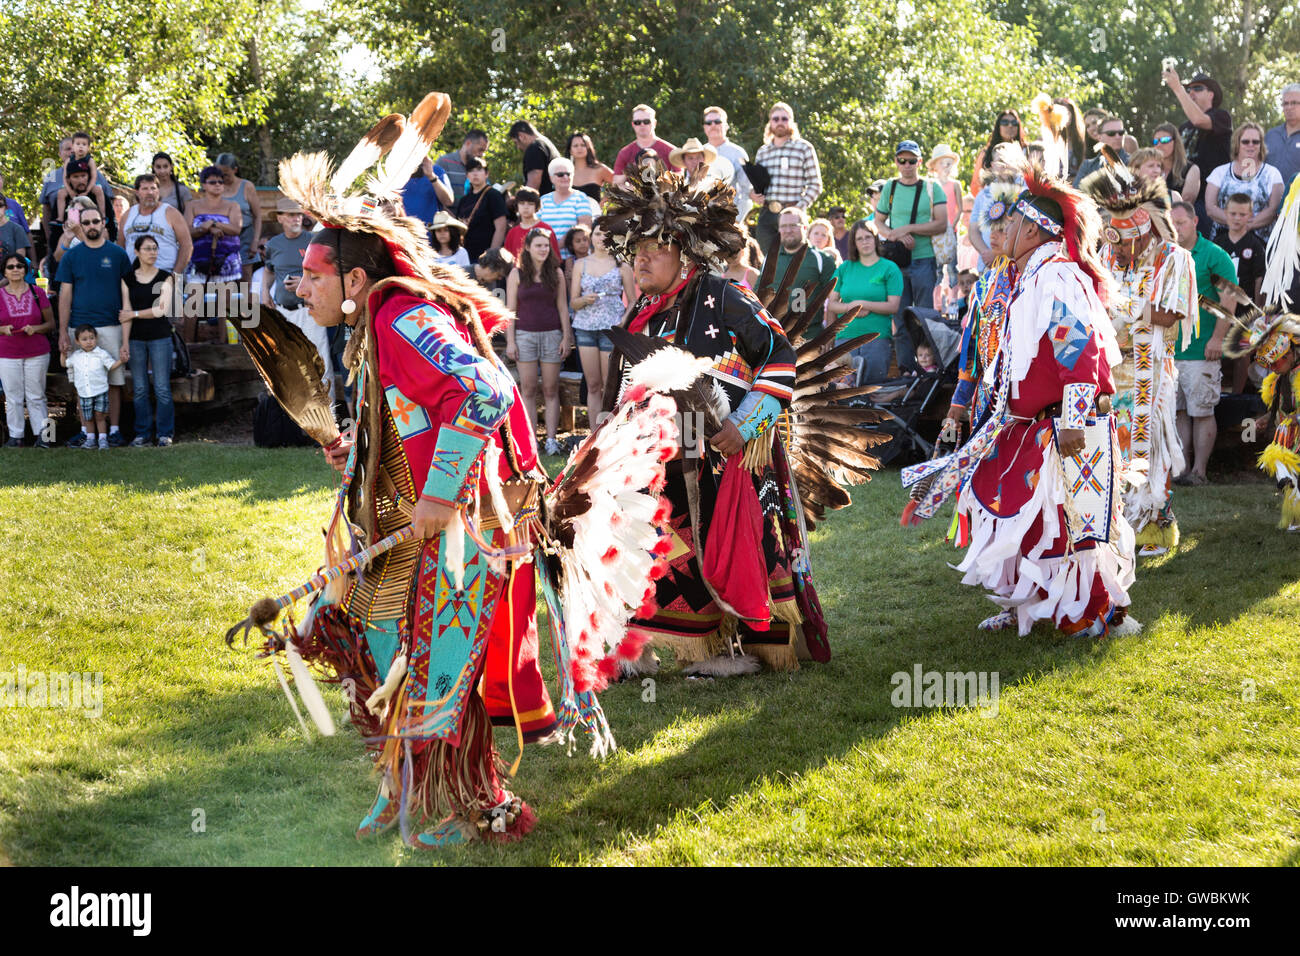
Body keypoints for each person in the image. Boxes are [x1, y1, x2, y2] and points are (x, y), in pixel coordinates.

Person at [278, 118, 562, 848]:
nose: (299, 285)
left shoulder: (403, 317)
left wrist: (438, 493)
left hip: (462, 524)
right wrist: (359, 454)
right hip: (414, 521)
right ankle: (408, 788)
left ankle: (474, 800)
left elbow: (482, 394)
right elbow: (415, 416)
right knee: (384, 653)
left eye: (311, 276)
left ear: (354, 279)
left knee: (434, 668)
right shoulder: (377, 321)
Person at [596, 168, 819, 675]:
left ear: (685, 250)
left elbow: (780, 355)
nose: (641, 259)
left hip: (723, 453)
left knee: (726, 547)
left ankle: (740, 649)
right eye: (636, 250)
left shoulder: (722, 295)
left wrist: (746, 422)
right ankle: (653, 647)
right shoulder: (644, 313)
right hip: (657, 460)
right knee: (658, 550)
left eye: (654, 247)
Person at [902, 164, 1137, 638]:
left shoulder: (1056, 277)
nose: (1003, 232)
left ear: (1032, 229)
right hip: (1024, 424)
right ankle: (1025, 606)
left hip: (1064, 428)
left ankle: (1100, 613)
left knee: (1073, 525)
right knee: (1016, 515)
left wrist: (1072, 420)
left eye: (1010, 224)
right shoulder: (1028, 276)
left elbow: (1082, 351)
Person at [1083, 155, 1197, 557]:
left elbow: (1173, 314)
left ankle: (1153, 527)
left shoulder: (1174, 259)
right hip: (1114, 370)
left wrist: (1131, 309)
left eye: (1129, 236)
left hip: (1153, 371)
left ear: (1145, 227)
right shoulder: (1108, 258)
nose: (1123, 246)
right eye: (1116, 236)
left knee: (1149, 448)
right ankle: (1117, 525)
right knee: (1113, 444)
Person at [1166, 201, 1235, 486]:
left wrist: (1217, 338)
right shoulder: (1167, 254)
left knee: (1202, 411)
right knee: (1180, 411)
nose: (1176, 229)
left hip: (1201, 348)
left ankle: (1200, 471)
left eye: (1180, 223)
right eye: (1172, 224)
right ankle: (1182, 469)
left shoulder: (1214, 255)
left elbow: (1229, 300)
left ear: (1195, 222)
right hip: (1172, 349)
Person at [54, 204, 132, 446]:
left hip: (111, 325)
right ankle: (86, 431)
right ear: (81, 226)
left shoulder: (118, 254)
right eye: (85, 223)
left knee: (114, 381)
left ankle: (115, 431)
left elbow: (127, 293)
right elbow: (65, 296)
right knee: (83, 381)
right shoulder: (71, 257)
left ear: (104, 222)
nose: (91, 226)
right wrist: (63, 333)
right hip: (79, 327)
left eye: (95, 221)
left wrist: (127, 332)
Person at [877, 140, 947, 371]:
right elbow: (878, 222)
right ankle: (907, 371)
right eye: (902, 160)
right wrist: (895, 236)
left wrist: (909, 229)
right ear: (896, 162)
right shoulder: (890, 186)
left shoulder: (932, 187)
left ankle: (931, 369)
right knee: (900, 320)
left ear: (919, 162)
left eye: (912, 160)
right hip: (897, 262)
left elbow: (941, 223)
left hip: (924, 259)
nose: (907, 165)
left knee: (926, 319)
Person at [505, 227, 571, 455]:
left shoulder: (557, 273)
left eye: (546, 245)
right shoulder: (517, 273)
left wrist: (566, 336)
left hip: (552, 334)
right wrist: (510, 341)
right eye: (538, 245)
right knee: (529, 388)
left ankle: (551, 440)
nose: (543, 249)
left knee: (551, 388)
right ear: (528, 248)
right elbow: (510, 310)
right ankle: (530, 440)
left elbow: (563, 308)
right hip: (525, 335)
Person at [263, 198, 333, 402]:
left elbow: (327, 273)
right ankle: (291, 420)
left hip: (311, 309)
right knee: (286, 363)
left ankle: (328, 417)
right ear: (280, 218)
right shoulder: (273, 245)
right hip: (283, 311)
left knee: (319, 362)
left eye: (299, 214)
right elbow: (269, 270)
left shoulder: (314, 240)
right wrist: (265, 292)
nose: (296, 218)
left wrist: (304, 282)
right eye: (291, 215)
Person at [570, 222, 633, 428]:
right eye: (597, 233)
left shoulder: (622, 266)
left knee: (610, 384)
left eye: (606, 234)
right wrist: (584, 300)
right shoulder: (581, 264)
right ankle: (594, 434)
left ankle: (610, 430)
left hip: (611, 329)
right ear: (591, 237)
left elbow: (633, 300)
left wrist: (624, 321)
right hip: (585, 328)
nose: (601, 238)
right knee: (593, 384)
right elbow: (573, 302)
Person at [826, 220, 903, 384]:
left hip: (876, 338)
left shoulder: (889, 268)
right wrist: (849, 307)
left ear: (875, 239)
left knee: (870, 390)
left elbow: (893, 306)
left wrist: (863, 303)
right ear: (853, 243)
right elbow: (831, 304)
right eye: (859, 239)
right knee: (843, 392)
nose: (864, 242)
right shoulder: (844, 268)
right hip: (845, 338)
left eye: (868, 237)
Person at [121, 235, 177, 446]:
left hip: (160, 337)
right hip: (135, 339)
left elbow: (161, 309)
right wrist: (125, 342)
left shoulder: (165, 277)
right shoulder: (127, 279)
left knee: (162, 386)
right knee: (140, 388)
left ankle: (165, 433)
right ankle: (142, 433)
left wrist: (134, 314)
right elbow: (124, 313)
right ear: (137, 252)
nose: (152, 252)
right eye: (147, 249)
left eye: (155, 248)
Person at [1164, 69, 1233, 236]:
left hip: (1208, 201)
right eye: (1189, 89)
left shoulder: (1221, 116)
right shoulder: (1184, 127)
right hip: (1179, 199)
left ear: (1211, 94)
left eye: (1198, 88)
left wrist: (1178, 88)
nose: (1191, 92)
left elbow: (1199, 119)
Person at [1214, 193, 1269, 393]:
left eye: (1242, 214)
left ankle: (1237, 393)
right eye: (1233, 213)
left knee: (1242, 351)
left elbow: (1259, 279)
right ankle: (1217, 390)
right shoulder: (1218, 243)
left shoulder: (1255, 245)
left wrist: (1259, 311)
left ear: (1250, 216)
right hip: (1218, 307)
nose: (1237, 218)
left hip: (1245, 309)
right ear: (1225, 214)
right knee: (1216, 348)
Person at [750, 102, 823, 251]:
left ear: (791, 122)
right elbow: (757, 186)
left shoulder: (804, 148)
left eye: (784, 119)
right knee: (767, 264)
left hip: (793, 214)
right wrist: (753, 194)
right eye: (775, 119)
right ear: (770, 123)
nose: (780, 122)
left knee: (794, 263)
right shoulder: (763, 151)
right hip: (767, 215)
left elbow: (816, 184)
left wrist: (799, 208)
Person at [0, 254, 54, 447]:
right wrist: (1, 329)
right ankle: (16, 437)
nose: (15, 269)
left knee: (37, 395)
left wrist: (36, 329)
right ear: (4, 271)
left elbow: (51, 324)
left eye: (19, 266)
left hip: (37, 352)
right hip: (7, 353)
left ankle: (46, 437)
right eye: (10, 266)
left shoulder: (37, 292)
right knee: (13, 396)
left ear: (25, 270)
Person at [1204, 122, 1285, 240]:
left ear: (1261, 144)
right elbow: (1210, 208)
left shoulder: (1272, 174)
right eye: (1245, 141)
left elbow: (1274, 209)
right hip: (1223, 241)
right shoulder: (1219, 172)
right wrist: (1236, 224)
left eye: (1255, 142)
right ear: (1237, 143)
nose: (1250, 145)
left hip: (1261, 244)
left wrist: (1246, 226)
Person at [772, 206, 837, 337]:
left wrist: (829, 336)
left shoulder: (822, 259)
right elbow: (759, 299)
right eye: (784, 226)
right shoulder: (770, 259)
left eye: (793, 225)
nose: (788, 230)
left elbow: (833, 301)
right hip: (775, 339)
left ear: (805, 228)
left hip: (809, 338)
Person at [61, 324, 125, 449]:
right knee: (88, 417)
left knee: (100, 416)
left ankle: (102, 439)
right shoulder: (76, 356)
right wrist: (63, 353)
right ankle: (90, 439)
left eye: (91, 338)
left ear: (96, 338)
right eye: (84, 339)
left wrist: (121, 361)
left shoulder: (101, 354)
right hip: (84, 392)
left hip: (100, 391)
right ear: (77, 342)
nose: (89, 342)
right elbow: (64, 364)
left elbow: (111, 366)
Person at [120, 173, 192, 275]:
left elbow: (187, 245)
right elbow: (120, 246)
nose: (150, 192)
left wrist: (176, 274)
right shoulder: (128, 215)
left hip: (165, 274)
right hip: (135, 276)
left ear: (158, 191)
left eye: (153, 188)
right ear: (137, 192)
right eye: (145, 189)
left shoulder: (170, 212)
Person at [969, 143, 1026, 271]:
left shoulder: (1026, 193)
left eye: (1009, 160)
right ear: (993, 165)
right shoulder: (984, 195)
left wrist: (997, 254)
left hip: (1016, 264)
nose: (1005, 165)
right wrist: (987, 254)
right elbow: (973, 230)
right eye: (1000, 161)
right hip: (988, 265)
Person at [213, 154, 262, 281]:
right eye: (220, 173)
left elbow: (257, 216)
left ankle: (246, 301)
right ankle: (226, 301)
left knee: (245, 276)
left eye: (226, 174)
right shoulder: (216, 186)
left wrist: (255, 241)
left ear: (235, 170)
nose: (223, 177)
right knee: (225, 278)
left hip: (246, 235)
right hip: (223, 237)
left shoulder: (247, 186)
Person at [702, 106, 752, 222]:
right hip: (703, 219)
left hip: (730, 217)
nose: (713, 125)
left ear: (726, 126)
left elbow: (746, 191)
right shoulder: (698, 153)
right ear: (705, 128)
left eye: (718, 121)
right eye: (709, 123)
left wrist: (736, 220)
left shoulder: (738, 153)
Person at [927, 143, 963, 302]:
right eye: (943, 163)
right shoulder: (930, 186)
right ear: (935, 166)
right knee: (936, 269)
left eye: (949, 163)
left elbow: (959, 208)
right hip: (936, 232)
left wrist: (952, 225)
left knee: (952, 266)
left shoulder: (955, 185)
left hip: (951, 231)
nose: (946, 166)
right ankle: (936, 302)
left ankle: (953, 301)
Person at [454, 157, 507, 262]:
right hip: (465, 255)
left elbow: (501, 227)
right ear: (467, 175)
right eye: (471, 171)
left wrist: (491, 255)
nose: (475, 174)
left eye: (479, 169)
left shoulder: (493, 195)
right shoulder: (464, 200)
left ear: (486, 173)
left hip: (486, 256)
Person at [537, 157, 595, 253]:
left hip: (572, 258)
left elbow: (584, 229)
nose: (565, 177)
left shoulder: (581, 198)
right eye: (560, 174)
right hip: (545, 257)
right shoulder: (543, 200)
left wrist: (555, 247)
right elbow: (536, 228)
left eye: (568, 174)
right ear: (551, 178)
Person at [612, 104, 677, 186]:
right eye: (637, 122)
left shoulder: (671, 151)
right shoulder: (624, 153)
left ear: (655, 123)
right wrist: (632, 171)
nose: (642, 125)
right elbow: (616, 184)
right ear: (633, 125)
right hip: (633, 197)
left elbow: (679, 178)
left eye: (646, 121)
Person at [970, 109, 1027, 195]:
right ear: (998, 127)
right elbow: (976, 184)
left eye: (1014, 123)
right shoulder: (986, 153)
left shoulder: (1027, 150)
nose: (1010, 126)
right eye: (1005, 122)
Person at [400, 155, 455, 234]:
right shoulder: (397, 171)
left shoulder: (437, 171)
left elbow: (448, 201)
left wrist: (431, 176)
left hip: (430, 234)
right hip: (403, 234)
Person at [1072, 114, 1130, 187]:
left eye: (1121, 133)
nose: (1118, 137)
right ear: (1099, 137)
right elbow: (1077, 192)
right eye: (1111, 133)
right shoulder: (1087, 166)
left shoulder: (1134, 163)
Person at [504, 187, 559, 260]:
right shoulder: (512, 233)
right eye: (522, 203)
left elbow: (555, 259)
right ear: (517, 205)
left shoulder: (546, 229)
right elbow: (507, 261)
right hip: (518, 271)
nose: (526, 207)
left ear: (536, 206)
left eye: (530, 204)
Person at [509, 120, 561, 195]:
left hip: (544, 202)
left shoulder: (534, 148)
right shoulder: (545, 143)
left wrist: (518, 201)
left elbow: (533, 185)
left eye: (516, 142)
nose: (518, 147)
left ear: (521, 136)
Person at [1151, 121, 1199, 202]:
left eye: (1164, 140)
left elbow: (1186, 202)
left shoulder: (1191, 169)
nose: (1159, 144)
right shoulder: (1149, 168)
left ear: (1176, 142)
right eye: (1156, 141)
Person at [1265, 83, 1300, 192]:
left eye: (1294, 103)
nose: (1289, 107)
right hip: (1269, 201)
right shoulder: (1271, 135)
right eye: (1285, 104)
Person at [437, 129, 488, 198]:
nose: (482, 155)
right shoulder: (444, 162)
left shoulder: (480, 167)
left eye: (484, 151)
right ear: (468, 143)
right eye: (480, 150)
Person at [567, 132, 613, 203]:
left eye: (583, 145)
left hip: (594, 213)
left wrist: (604, 200)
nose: (579, 148)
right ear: (570, 150)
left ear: (588, 147)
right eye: (575, 146)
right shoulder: (565, 172)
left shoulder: (599, 169)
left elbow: (619, 183)